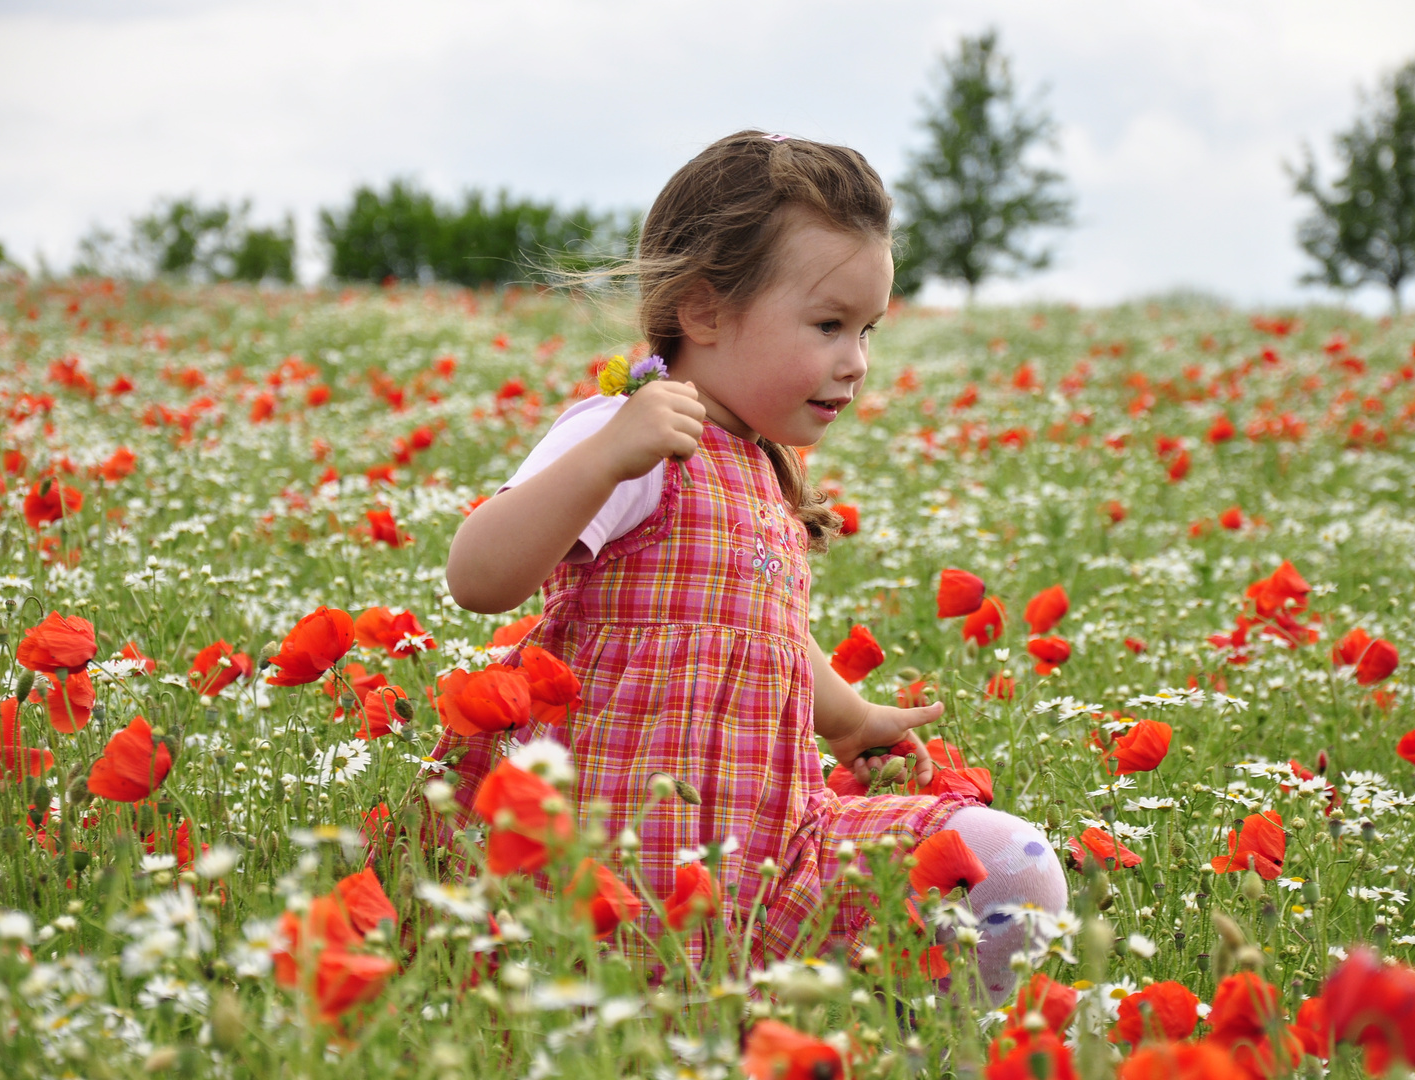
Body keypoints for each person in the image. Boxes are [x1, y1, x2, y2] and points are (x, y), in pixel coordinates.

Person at [430, 130, 1065, 1001]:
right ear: (704, 312)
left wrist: (847, 718)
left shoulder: (759, 464)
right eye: (829, 325)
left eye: (869, 329)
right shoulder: (631, 434)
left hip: (765, 855)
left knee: (1011, 869)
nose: (857, 362)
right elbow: (478, 577)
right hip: (607, 862)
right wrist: (605, 457)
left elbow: (765, 626)